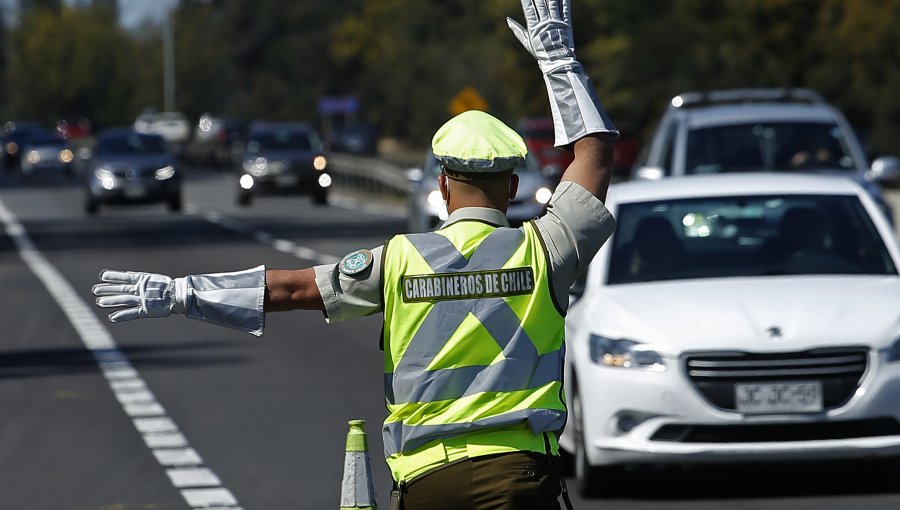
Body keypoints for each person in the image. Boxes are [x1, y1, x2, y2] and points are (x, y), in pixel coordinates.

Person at [92, 1, 618, 508]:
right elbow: (593, 155)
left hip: (430, 481)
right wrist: (560, 64)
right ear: (511, 184)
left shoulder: (398, 260)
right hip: (520, 477)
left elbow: (289, 289)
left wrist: (182, 293)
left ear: (442, 182)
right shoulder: (547, 249)